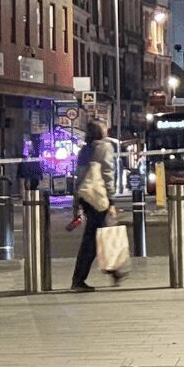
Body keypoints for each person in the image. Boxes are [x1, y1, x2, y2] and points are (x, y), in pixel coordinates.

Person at [70, 121, 122, 291]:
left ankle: (112, 270)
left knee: (97, 234)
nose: (107, 129)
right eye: (104, 127)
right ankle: (82, 278)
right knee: (95, 237)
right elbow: (107, 173)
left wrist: (76, 202)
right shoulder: (105, 148)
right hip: (99, 198)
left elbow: (79, 176)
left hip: (87, 198)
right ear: (100, 132)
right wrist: (111, 199)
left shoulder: (85, 150)